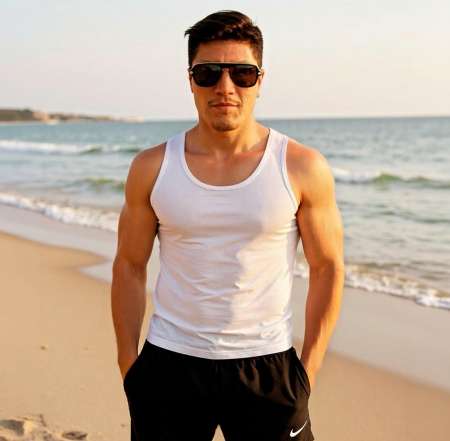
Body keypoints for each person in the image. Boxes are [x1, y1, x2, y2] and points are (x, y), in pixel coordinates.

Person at [111, 9, 344, 441]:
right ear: (190, 80)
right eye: (208, 73)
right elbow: (129, 264)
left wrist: (307, 373)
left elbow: (327, 267)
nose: (225, 87)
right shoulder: (152, 167)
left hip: (269, 368)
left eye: (242, 73)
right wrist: (129, 364)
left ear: (260, 79)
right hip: (169, 363)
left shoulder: (300, 166)